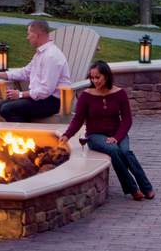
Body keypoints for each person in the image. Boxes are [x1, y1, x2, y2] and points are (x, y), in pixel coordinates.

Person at [59, 59, 154, 202]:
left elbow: (127, 120)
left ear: (107, 76)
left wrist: (117, 137)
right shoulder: (86, 96)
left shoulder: (120, 93)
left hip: (118, 133)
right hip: (95, 136)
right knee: (114, 150)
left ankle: (146, 187)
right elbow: (78, 119)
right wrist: (67, 135)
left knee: (125, 152)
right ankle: (133, 189)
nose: (94, 81)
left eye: (98, 77)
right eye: (92, 78)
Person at [0, 20, 70, 122]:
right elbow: (25, 72)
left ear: (37, 35)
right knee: (2, 105)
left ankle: (24, 131)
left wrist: (20, 95)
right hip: (39, 98)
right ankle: (24, 129)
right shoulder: (40, 54)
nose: (27, 38)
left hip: (53, 101)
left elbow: (45, 91)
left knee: (7, 109)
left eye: (29, 34)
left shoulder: (51, 56)